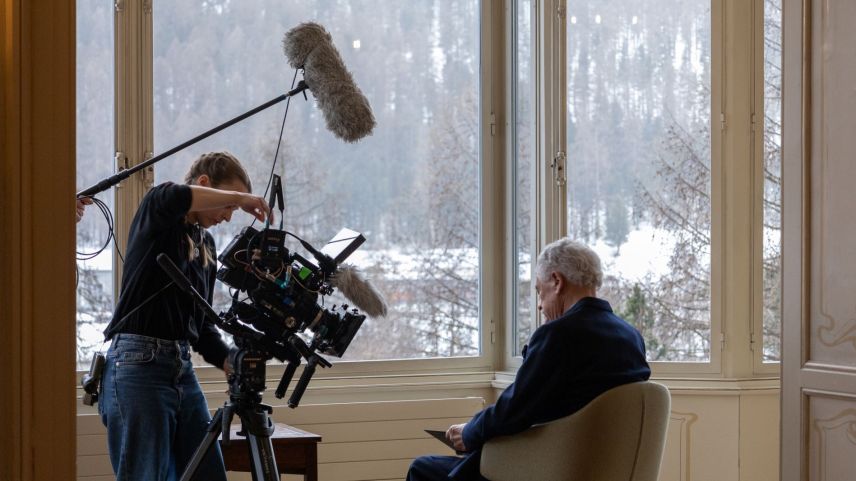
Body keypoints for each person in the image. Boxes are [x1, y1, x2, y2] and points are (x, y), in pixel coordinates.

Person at [406, 238, 652, 481]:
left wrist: (469, 432)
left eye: (539, 292)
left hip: (548, 467)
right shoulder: (631, 337)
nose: (539, 306)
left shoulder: (559, 335)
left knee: (422, 468)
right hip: (597, 468)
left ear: (556, 281)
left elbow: (515, 411)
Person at [98, 151, 271, 481]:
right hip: (138, 363)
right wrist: (242, 198)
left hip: (180, 367)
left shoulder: (205, 244)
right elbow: (178, 195)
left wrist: (229, 361)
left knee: (207, 474)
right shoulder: (159, 209)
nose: (229, 215)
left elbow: (201, 326)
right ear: (204, 184)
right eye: (227, 205)